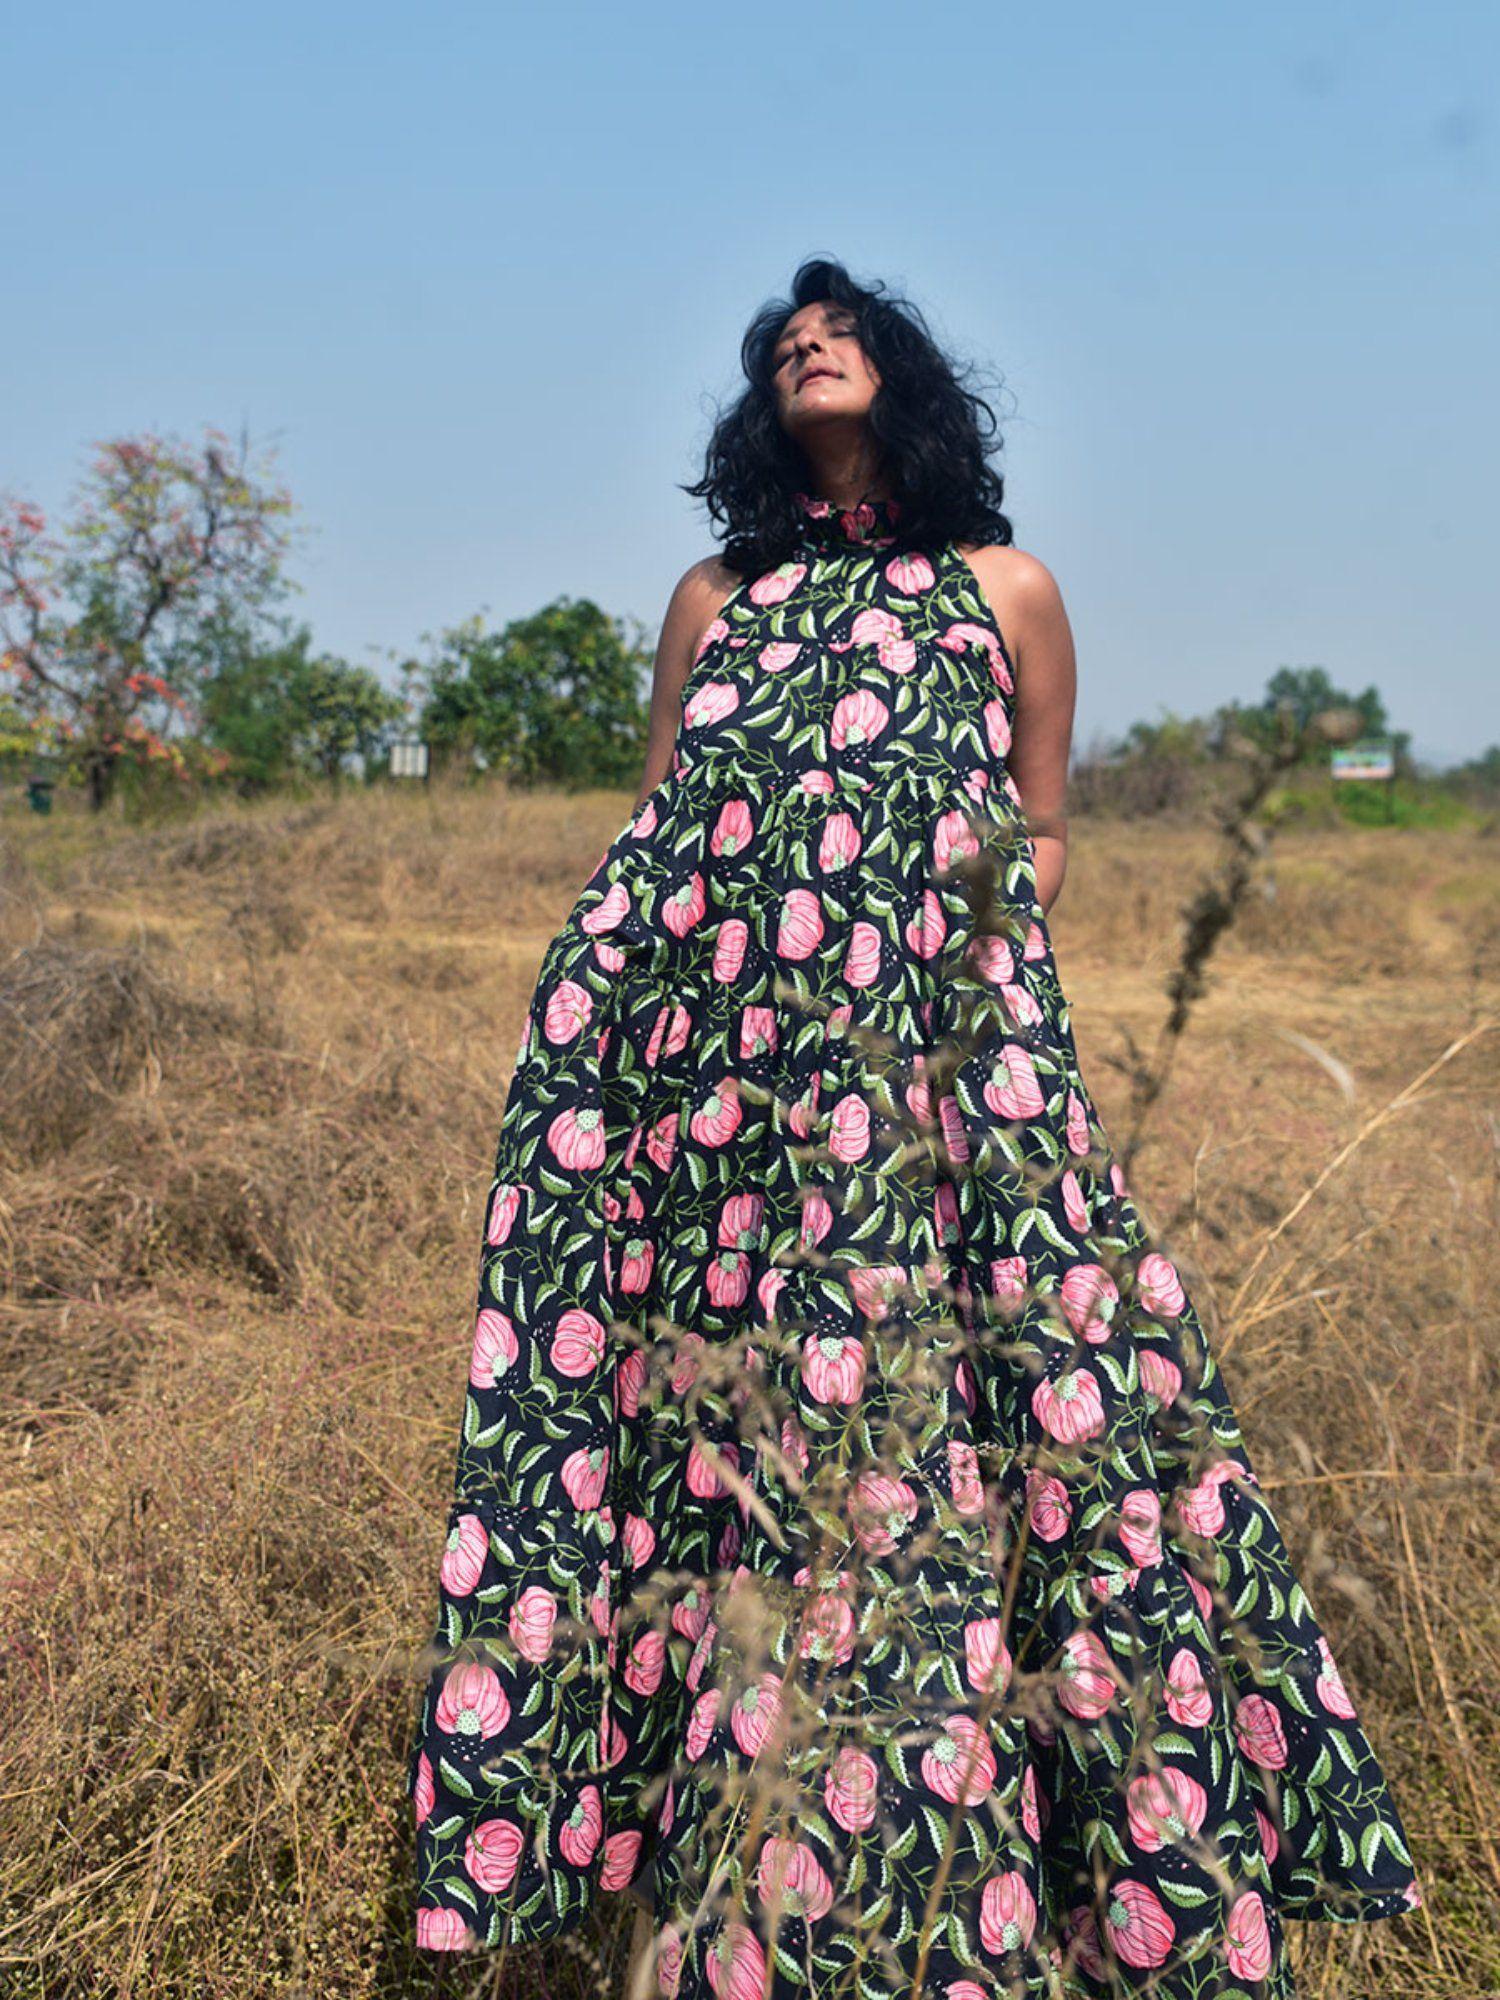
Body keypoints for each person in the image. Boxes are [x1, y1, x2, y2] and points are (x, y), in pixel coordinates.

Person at [407, 256, 1419, 1997]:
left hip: (942, 1064)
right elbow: (661, 821)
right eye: (781, 342)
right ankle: (696, 1854)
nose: (806, 343)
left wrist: (986, 1025)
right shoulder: (715, 593)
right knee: (701, 1418)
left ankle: (1018, 1861)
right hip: (720, 1081)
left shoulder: (1003, 589)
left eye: (839, 328)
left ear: (908, 380)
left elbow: (1042, 833)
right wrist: (604, 1018)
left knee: (1019, 1403)